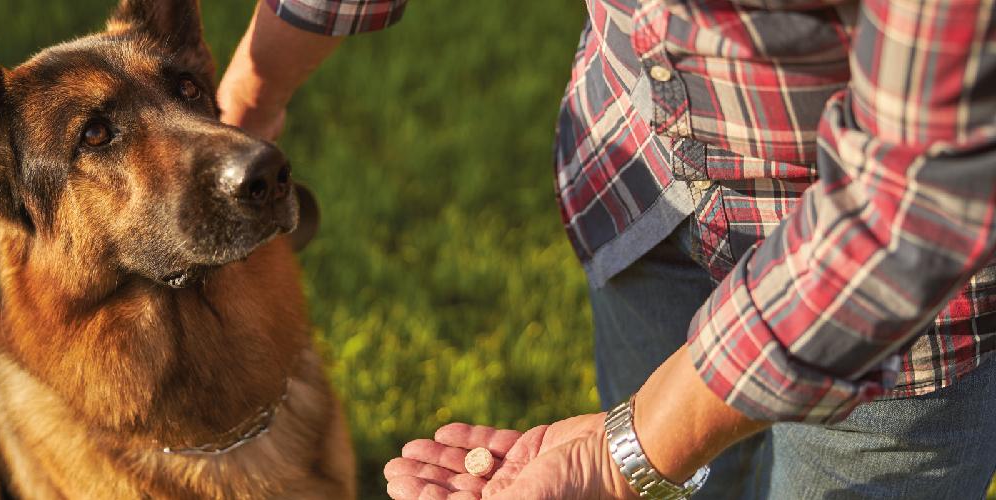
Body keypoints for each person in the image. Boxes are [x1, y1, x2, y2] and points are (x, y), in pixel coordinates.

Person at [217, 0, 996, 498]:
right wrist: (247, 105)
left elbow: (912, 209)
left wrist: (627, 449)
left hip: (898, 331)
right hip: (643, 189)